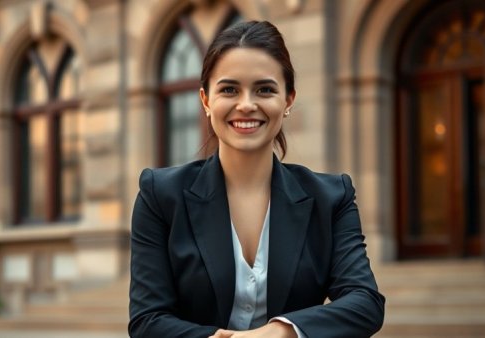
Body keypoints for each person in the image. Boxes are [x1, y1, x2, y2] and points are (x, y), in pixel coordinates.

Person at [129, 20, 385, 338]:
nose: (247, 104)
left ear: (288, 100)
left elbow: (365, 303)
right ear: (206, 100)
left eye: (264, 89)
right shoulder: (160, 195)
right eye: (229, 89)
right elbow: (147, 320)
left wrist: (280, 333)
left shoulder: (332, 197)